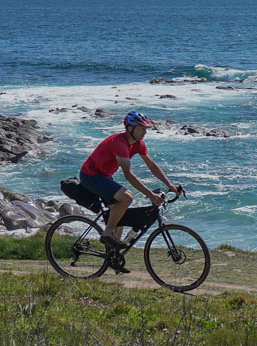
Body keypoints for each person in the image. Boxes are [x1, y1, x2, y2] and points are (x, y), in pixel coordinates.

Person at [77, 112, 185, 262]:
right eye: (141, 128)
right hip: (91, 176)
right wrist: (150, 194)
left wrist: (170, 185)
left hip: (105, 177)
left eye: (146, 129)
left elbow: (152, 166)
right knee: (127, 197)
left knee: (120, 215)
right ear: (129, 128)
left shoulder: (138, 144)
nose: (145, 132)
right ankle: (107, 232)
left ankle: (113, 258)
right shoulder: (119, 143)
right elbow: (128, 174)